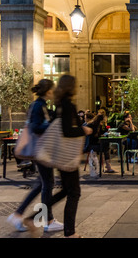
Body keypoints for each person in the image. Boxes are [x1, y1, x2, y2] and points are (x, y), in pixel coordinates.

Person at [24, 75, 92, 238]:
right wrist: (84, 130)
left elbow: (55, 128)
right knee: (74, 193)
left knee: (65, 192)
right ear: (71, 87)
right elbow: (67, 131)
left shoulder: (58, 105)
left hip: (59, 155)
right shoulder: (68, 105)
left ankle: (32, 218)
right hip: (67, 156)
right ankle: (70, 232)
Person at [7, 79, 64, 233]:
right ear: (48, 91)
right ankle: (48, 220)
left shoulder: (40, 105)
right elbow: (36, 126)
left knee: (42, 184)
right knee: (48, 184)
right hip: (41, 150)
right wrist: (51, 125)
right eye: (53, 89)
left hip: (41, 149)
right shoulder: (39, 105)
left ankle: (18, 214)